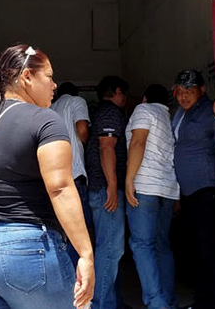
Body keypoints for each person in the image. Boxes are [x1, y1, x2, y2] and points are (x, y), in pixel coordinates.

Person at [0, 44, 94, 309]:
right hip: (26, 251)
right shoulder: (46, 121)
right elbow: (61, 188)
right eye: (50, 77)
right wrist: (86, 254)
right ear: (28, 76)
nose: (54, 85)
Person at [171, 69, 215, 308]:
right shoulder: (181, 113)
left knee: (211, 250)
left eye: (189, 92)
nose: (184, 96)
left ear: (202, 91)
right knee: (196, 248)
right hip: (190, 192)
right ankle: (204, 300)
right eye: (181, 92)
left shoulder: (208, 112)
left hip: (207, 189)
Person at [124, 84, 179, 309]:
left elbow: (138, 141)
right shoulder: (171, 119)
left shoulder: (143, 110)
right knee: (161, 245)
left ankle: (157, 303)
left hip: (145, 187)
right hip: (167, 189)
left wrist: (129, 179)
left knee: (142, 244)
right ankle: (169, 300)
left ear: (145, 98)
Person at [84, 75, 129, 309]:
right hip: (105, 189)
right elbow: (106, 147)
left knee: (108, 247)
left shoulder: (98, 112)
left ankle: (108, 301)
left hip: (99, 187)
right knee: (110, 248)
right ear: (118, 91)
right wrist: (112, 185)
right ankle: (100, 304)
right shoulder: (110, 113)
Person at [50, 82, 93, 252]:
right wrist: (86, 143)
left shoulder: (50, 108)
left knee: (60, 230)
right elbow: (82, 129)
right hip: (75, 173)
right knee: (79, 230)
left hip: (54, 176)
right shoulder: (77, 101)